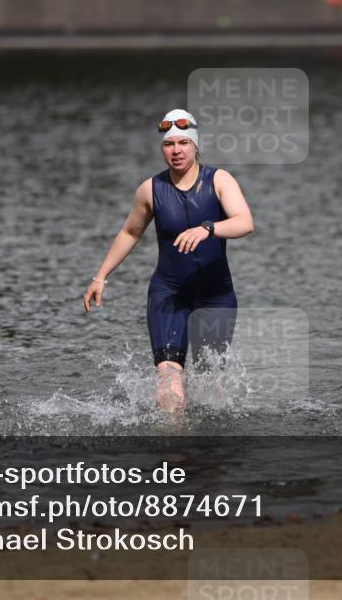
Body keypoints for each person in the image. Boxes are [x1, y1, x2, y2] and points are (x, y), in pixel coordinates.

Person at [83, 109, 254, 412]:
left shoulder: (219, 180)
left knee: (211, 385)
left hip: (215, 295)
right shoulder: (150, 189)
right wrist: (100, 277)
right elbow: (130, 232)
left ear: (195, 145)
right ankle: (174, 451)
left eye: (183, 143)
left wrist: (208, 228)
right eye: (168, 144)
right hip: (169, 293)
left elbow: (244, 222)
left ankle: (208, 452)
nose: (176, 150)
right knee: (169, 379)